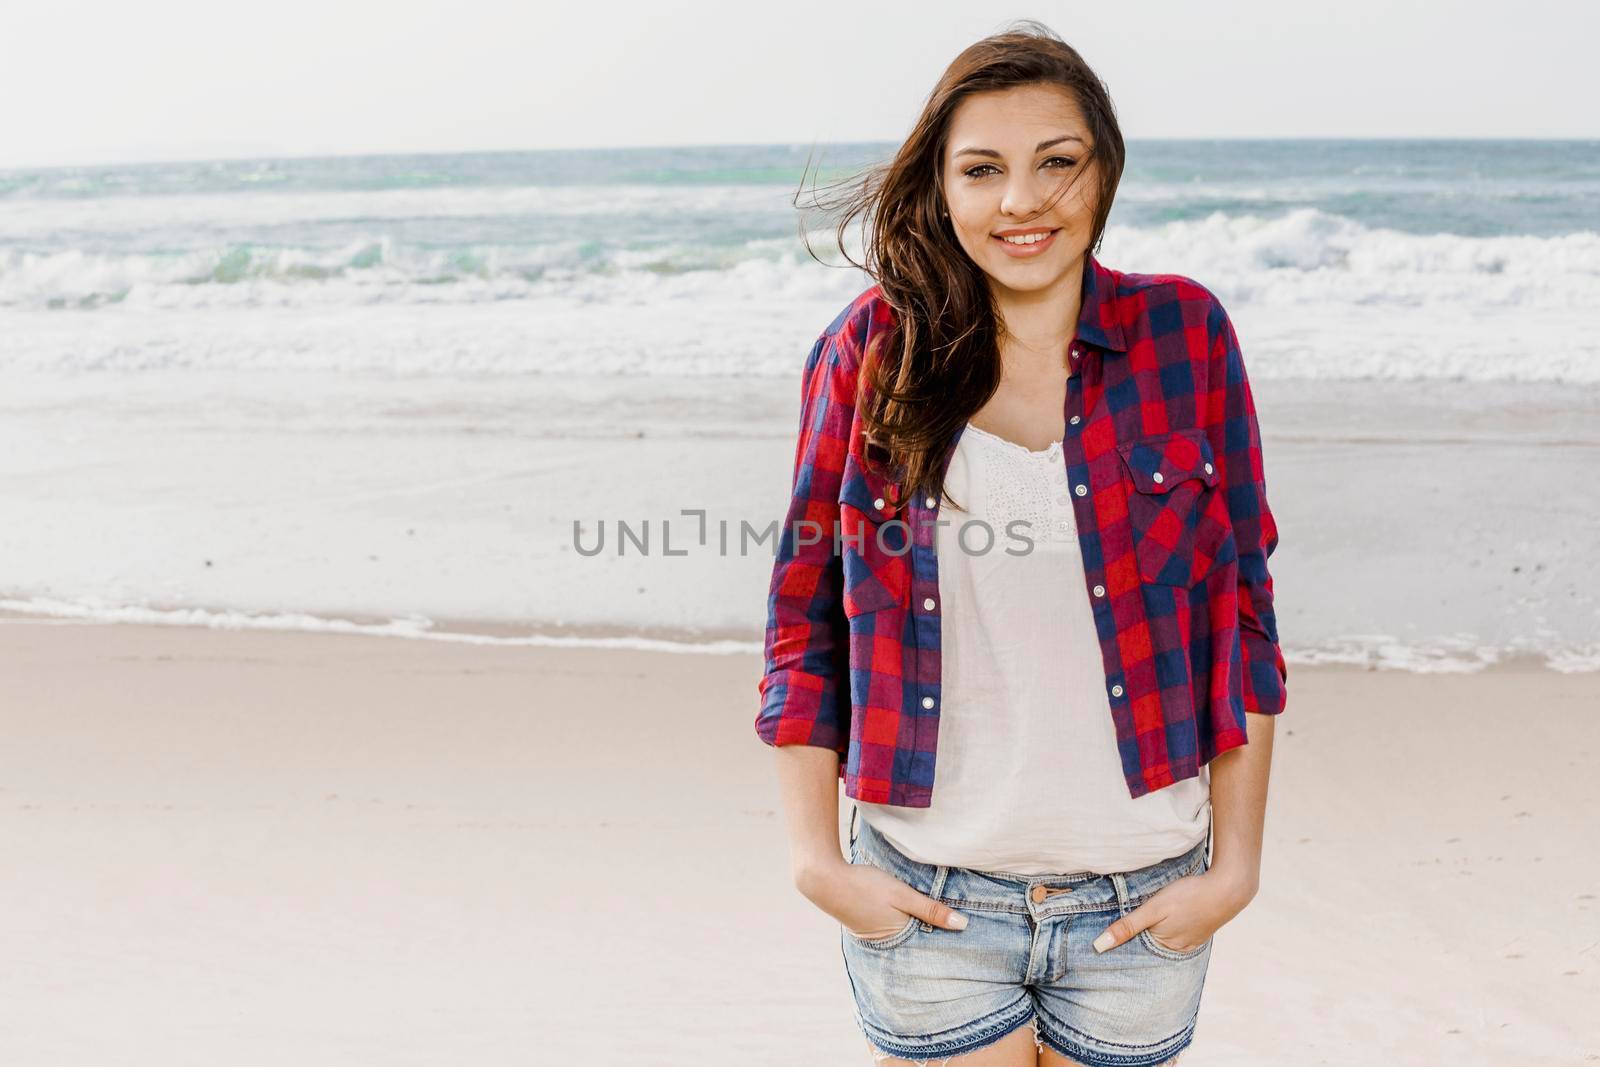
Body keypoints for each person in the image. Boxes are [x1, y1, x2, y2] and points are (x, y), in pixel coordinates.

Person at [754, 20, 1287, 1067]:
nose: (1020, 201)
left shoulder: (1185, 335)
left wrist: (1237, 870)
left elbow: (1243, 613)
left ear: (1104, 170)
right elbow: (803, 616)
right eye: (982, 169)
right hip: (928, 894)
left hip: (1144, 898)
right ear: (942, 189)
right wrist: (815, 861)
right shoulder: (870, 352)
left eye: (1056, 161)